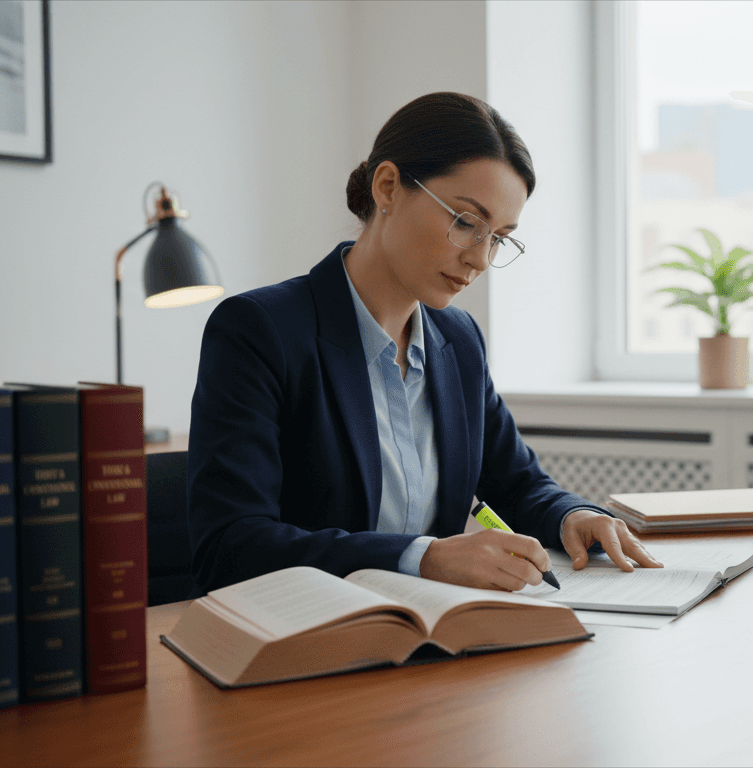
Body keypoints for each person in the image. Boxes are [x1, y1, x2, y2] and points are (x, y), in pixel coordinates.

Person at [186, 92, 660, 595]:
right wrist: (422, 557)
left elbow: (518, 484)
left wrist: (573, 514)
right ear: (388, 187)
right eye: (465, 223)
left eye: (499, 237)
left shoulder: (458, 341)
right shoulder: (260, 331)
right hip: (308, 644)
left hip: (437, 637)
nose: (481, 260)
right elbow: (231, 547)